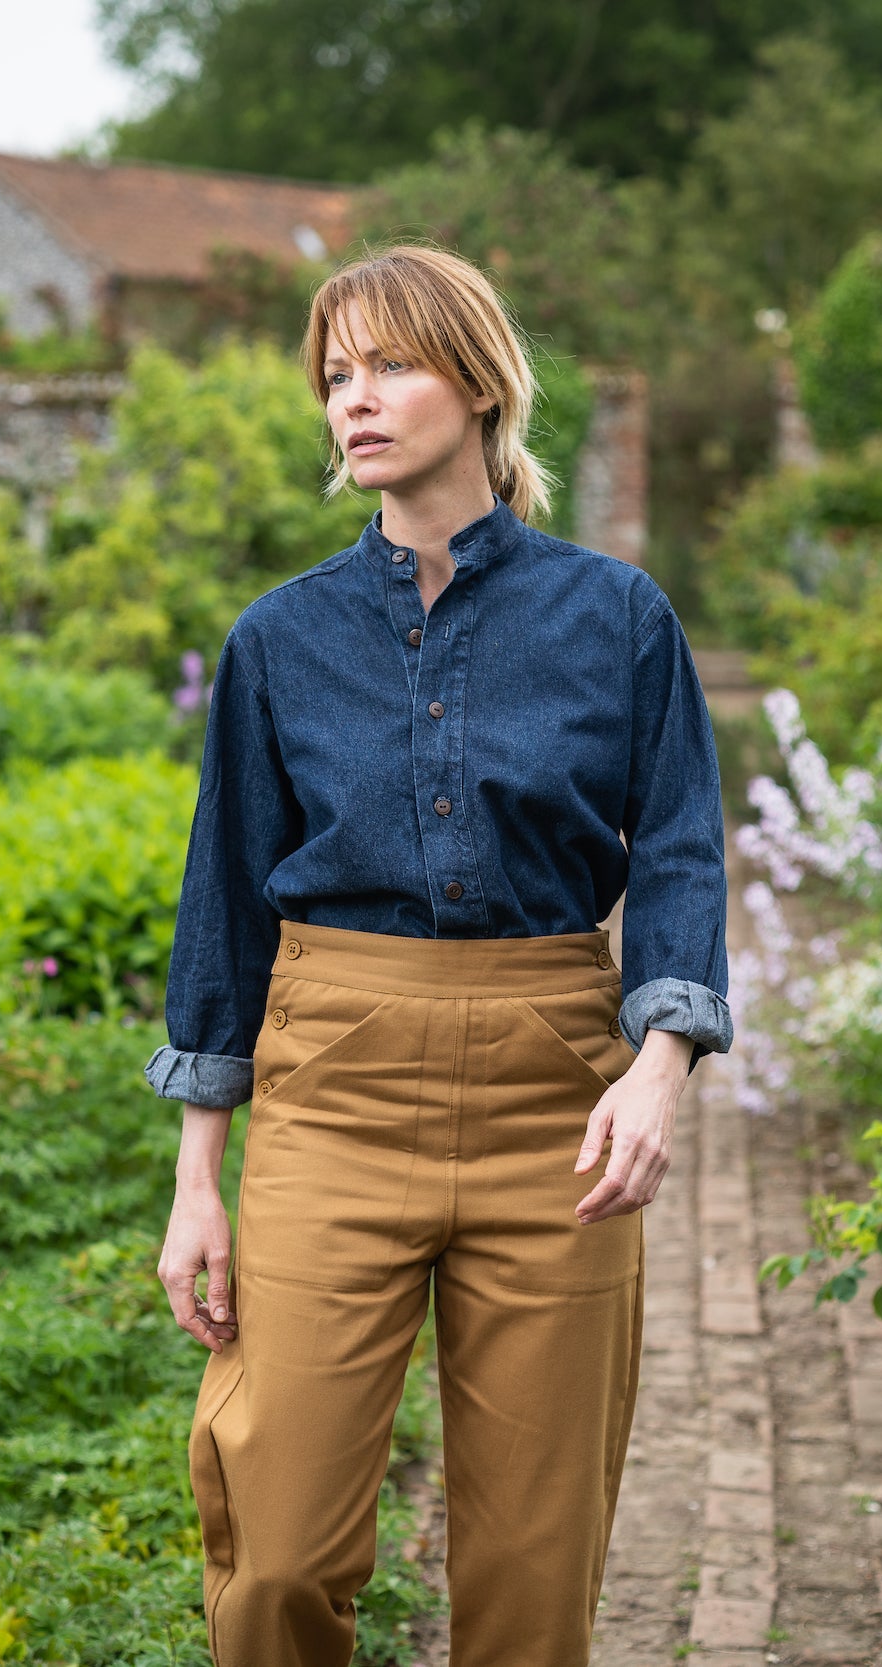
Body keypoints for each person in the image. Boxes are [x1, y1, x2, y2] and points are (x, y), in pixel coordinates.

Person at [148, 243, 732, 1666]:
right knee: (276, 1556)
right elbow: (224, 905)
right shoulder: (279, 642)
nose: (353, 401)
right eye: (333, 377)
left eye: (387, 366)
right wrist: (196, 1184)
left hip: (555, 1108)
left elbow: (677, 852)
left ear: (477, 383)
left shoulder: (616, 620)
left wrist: (658, 1066)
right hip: (333, 1092)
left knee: (533, 1578)